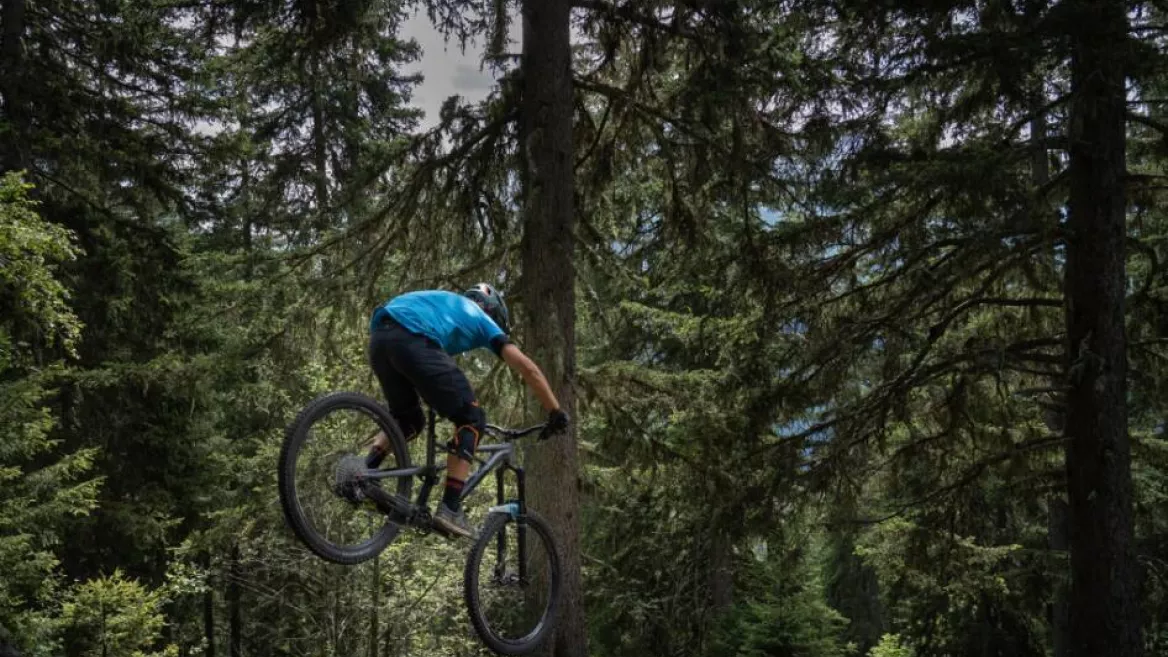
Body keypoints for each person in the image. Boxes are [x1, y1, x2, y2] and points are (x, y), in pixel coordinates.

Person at [364, 284, 570, 538]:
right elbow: (528, 369)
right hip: (413, 338)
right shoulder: (482, 319)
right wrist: (555, 410)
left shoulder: (446, 307)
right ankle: (450, 508)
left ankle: (364, 473)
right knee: (472, 419)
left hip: (379, 338)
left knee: (409, 420)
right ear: (492, 311)